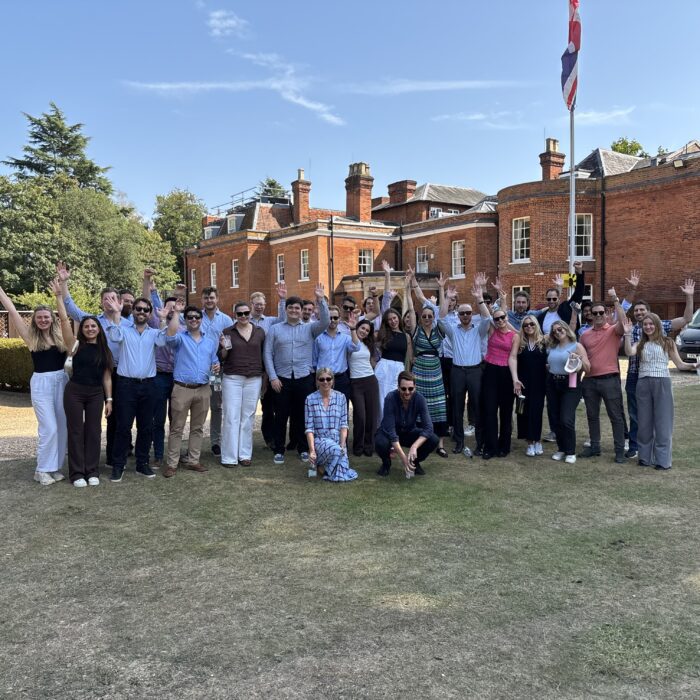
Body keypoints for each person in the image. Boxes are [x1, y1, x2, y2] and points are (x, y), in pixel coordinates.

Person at [57, 262, 132, 469]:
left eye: (113, 298)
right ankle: (97, 461)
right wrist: (64, 283)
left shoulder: (128, 324)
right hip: (95, 376)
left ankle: (116, 457)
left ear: (120, 301)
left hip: (121, 374)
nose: (109, 302)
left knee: (119, 417)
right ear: (100, 303)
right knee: (97, 420)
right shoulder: (92, 322)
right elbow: (70, 307)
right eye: (105, 299)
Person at [0, 285, 68, 485]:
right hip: (42, 384)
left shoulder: (61, 336)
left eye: (47, 317)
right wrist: (2, 293)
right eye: (39, 317)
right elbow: (12, 311)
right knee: (50, 428)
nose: (43, 320)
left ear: (52, 318)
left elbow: (65, 316)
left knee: (62, 427)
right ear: (35, 320)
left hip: (61, 381)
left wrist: (60, 293)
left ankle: (54, 467)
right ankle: (42, 469)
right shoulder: (30, 337)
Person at [623, 278, 694, 459]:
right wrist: (627, 333)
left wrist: (689, 297)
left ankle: (662, 458)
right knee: (640, 419)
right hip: (637, 379)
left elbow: (686, 319)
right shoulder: (638, 338)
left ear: (652, 317)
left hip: (660, 381)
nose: (641, 316)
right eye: (637, 311)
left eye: (643, 311)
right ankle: (641, 454)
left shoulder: (665, 336)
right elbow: (629, 351)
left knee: (662, 421)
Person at [52, 281, 113, 487]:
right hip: (75, 392)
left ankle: (92, 471)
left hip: (96, 393)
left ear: (99, 329)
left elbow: (106, 377)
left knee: (94, 431)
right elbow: (62, 320)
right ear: (82, 329)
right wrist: (59, 297)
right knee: (76, 431)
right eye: (86, 326)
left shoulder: (105, 350)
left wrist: (109, 399)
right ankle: (77, 473)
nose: (89, 328)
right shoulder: (75, 345)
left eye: (93, 326)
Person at [263, 282, 329, 465]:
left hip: (303, 377)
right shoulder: (275, 329)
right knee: (281, 415)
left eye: (297, 308)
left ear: (302, 311)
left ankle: (303, 448)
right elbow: (267, 353)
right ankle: (279, 449)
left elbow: (325, 322)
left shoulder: (310, 328)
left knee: (302, 415)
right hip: (281, 379)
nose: (294, 310)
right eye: (290, 307)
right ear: (286, 310)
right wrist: (273, 376)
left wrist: (321, 299)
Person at [105, 294, 167, 482]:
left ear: (149, 314)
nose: (141, 312)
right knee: (123, 427)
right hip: (126, 385)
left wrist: (163, 319)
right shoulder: (124, 330)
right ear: (132, 311)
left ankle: (142, 464)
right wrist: (116, 313)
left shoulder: (154, 333)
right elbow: (114, 337)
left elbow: (163, 341)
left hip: (148, 385)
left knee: (146, 427)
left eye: (145, 310)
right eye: (138, 309)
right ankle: (118, 465)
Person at [162, 305, 220, 478]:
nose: (194, 320)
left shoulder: (209, 342)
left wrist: (216, 371)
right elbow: (169, 335)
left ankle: (193, 460)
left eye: (197, 317)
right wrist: (177, 312)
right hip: (182, 389)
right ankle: (172, 464)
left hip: (203, 389)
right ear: (185, 320)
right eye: (190, 317)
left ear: (201, 319)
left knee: (197, 428)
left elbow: (214, 363)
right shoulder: (179, 338)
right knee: (176, 428)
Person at [578, 292, 627, 463]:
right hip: (590, 380)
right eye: (595, 313)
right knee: (592, 415)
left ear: (606, 313)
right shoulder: (584, 335)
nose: (598, 316)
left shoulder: (614, 330)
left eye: (601, 312)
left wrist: (616, 300)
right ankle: (595, 446)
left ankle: (619, 451)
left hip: (610, 380)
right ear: (590, 315)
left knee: (616, 416)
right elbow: (581, 357)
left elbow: (623, 322)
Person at [440, 287, 490, 455]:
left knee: (477, 408)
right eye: (462, 313)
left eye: (468, 313)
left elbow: (487, 317)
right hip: (458, 372)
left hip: (475, 371)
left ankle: (480, 443)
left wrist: (479, 298)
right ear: (458, 315)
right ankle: (459, 442)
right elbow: (441, 318)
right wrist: (447, 298)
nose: (466, 316)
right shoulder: (453, 331)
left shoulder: (479, 330)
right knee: (457, 407)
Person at [218, 301, 265, 468]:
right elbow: (222, 357)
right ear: (234, 315)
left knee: (248, 417)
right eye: (240, 314)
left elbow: (263, 355)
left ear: (250, 313)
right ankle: (229, 457)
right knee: (231, 416)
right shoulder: (227, 332)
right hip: (232, 378)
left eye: (246, 313)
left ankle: (244, 454)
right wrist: (224, 348)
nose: (243, 316)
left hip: (254, 378)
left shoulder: (260, 332)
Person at [409, 276, 450, 457]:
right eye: (424, 316)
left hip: (435, 369)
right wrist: (411, 284)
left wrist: (441, 289)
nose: (427, 318)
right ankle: (419, 442)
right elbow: (411, 308)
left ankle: (440, 444)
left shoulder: (438, 329)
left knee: (438, 404)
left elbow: (442, 312)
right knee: (418, 403)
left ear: (433, 318)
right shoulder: (416, 330)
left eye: (429, 316)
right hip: (419, 370)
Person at [480, 282, 519, 460]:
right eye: (497, 319)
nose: (500, 321)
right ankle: (490, 447)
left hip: (505, 374)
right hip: (490, 372)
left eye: (503, 318)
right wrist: (480, 294)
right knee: (489, 410)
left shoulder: (515, 336)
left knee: (505, 411)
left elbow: (512, 358)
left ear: (507, 318)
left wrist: (515, 379)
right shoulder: (492, 329)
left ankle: (504, 446)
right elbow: (488, 314)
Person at [374, 371, 439, 478]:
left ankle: (414, 463)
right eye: (403, 389)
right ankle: (386, 463)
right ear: (398, 387)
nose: (407, 392)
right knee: (380, 442)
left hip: (409, 432)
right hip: (390, 433)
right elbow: (390, 431)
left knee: (433, 439)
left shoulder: (420, 399)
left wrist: (414, 446)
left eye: (410, 389)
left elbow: (428, 428)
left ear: (415, 387)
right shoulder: (390, 398)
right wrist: (403, 457)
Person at [545, 320, 590, 463]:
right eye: (555, 331)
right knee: (555, 418)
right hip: (553, 382)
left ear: (566, 329)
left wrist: (579, 360)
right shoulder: (552, 346)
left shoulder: (576, 346)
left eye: (560, 329)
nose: (558, 332)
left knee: (566, 418)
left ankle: (570, 451)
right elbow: (550, 365)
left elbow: (588, 368)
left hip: (570, 384)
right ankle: (561, 449)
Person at [249, 286, 287, 449]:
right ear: (251, 304)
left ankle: (270, 439)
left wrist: (282, 300)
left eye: (261, 304)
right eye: (256, 304)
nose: (259, 306)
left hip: (267, 368)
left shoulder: (270, 322)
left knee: (268, 407)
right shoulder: (243, 320)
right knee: (248, 407)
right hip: (250, 367)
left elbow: (283, 320)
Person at [305, 368, 358, 482]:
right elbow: (309, 429)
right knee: (336, 451)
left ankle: (323, 466)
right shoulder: (310, 399)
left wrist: (343, 445)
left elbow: (344, 425)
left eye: (328, 379)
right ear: (317, 381)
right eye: (322, 379)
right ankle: (320, 462)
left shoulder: (342, 397)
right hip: (320, 440)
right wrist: (312, 450)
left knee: (342, 474)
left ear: (333, 381)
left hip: (338, 441)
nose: (325, 382)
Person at [199, 286, 234, 457]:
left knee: (216, 405)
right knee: (197, 405)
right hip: (197, 369)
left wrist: (223, 350)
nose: (209, 301)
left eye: (212, 297)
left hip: (216, 371)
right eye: (206, 298)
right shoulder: (196, 318)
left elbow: (229, 346)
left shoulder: (226, 320)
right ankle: (195, 443)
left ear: (217, 299)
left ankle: (216, 442)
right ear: (202, 300)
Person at [509, 314, 547, 457]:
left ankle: (537, 440)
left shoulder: (544, 341)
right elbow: (512, 358)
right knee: (522, 412)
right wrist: (515, 380)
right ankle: (529, 442)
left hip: (539, 383)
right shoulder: (520, 342)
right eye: (525, 325)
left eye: (531, 324)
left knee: (536, 412)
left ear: (536, 325)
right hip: (522, 384)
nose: (529, 327)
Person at [313, 306, 360, 403]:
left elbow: (356, 347)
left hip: (341, 379)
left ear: (339, 319)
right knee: (323, 409)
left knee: (342, 411)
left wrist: (353, 329)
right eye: (330, 318)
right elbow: (314, 360)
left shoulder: (345, 338)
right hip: (323, 380)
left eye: (335, 318)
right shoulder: (318, 338)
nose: (332, 320)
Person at [349, 319, 380, 457]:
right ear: (357, 327)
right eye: (362, 328)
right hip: (355, 382)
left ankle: (369, 445)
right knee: (360, 416)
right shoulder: (348, 340)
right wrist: (351, 329)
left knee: (371, 416)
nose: (364, 332)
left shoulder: (368, 344)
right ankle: (358, 445)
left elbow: (373, 362)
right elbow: (354, 344)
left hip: (370, 381)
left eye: (367, 331)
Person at [375, 308, 413, 419]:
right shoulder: (383, 334)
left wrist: (408, 375)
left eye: (394, 318)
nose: (393, 321)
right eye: (389, 319)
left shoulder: (406, 336)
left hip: (399, 369)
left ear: (399, 318)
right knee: (381, 399)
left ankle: (394, 428)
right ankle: (381, 428)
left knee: (397, 398)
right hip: (384, 367)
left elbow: (410, 358)